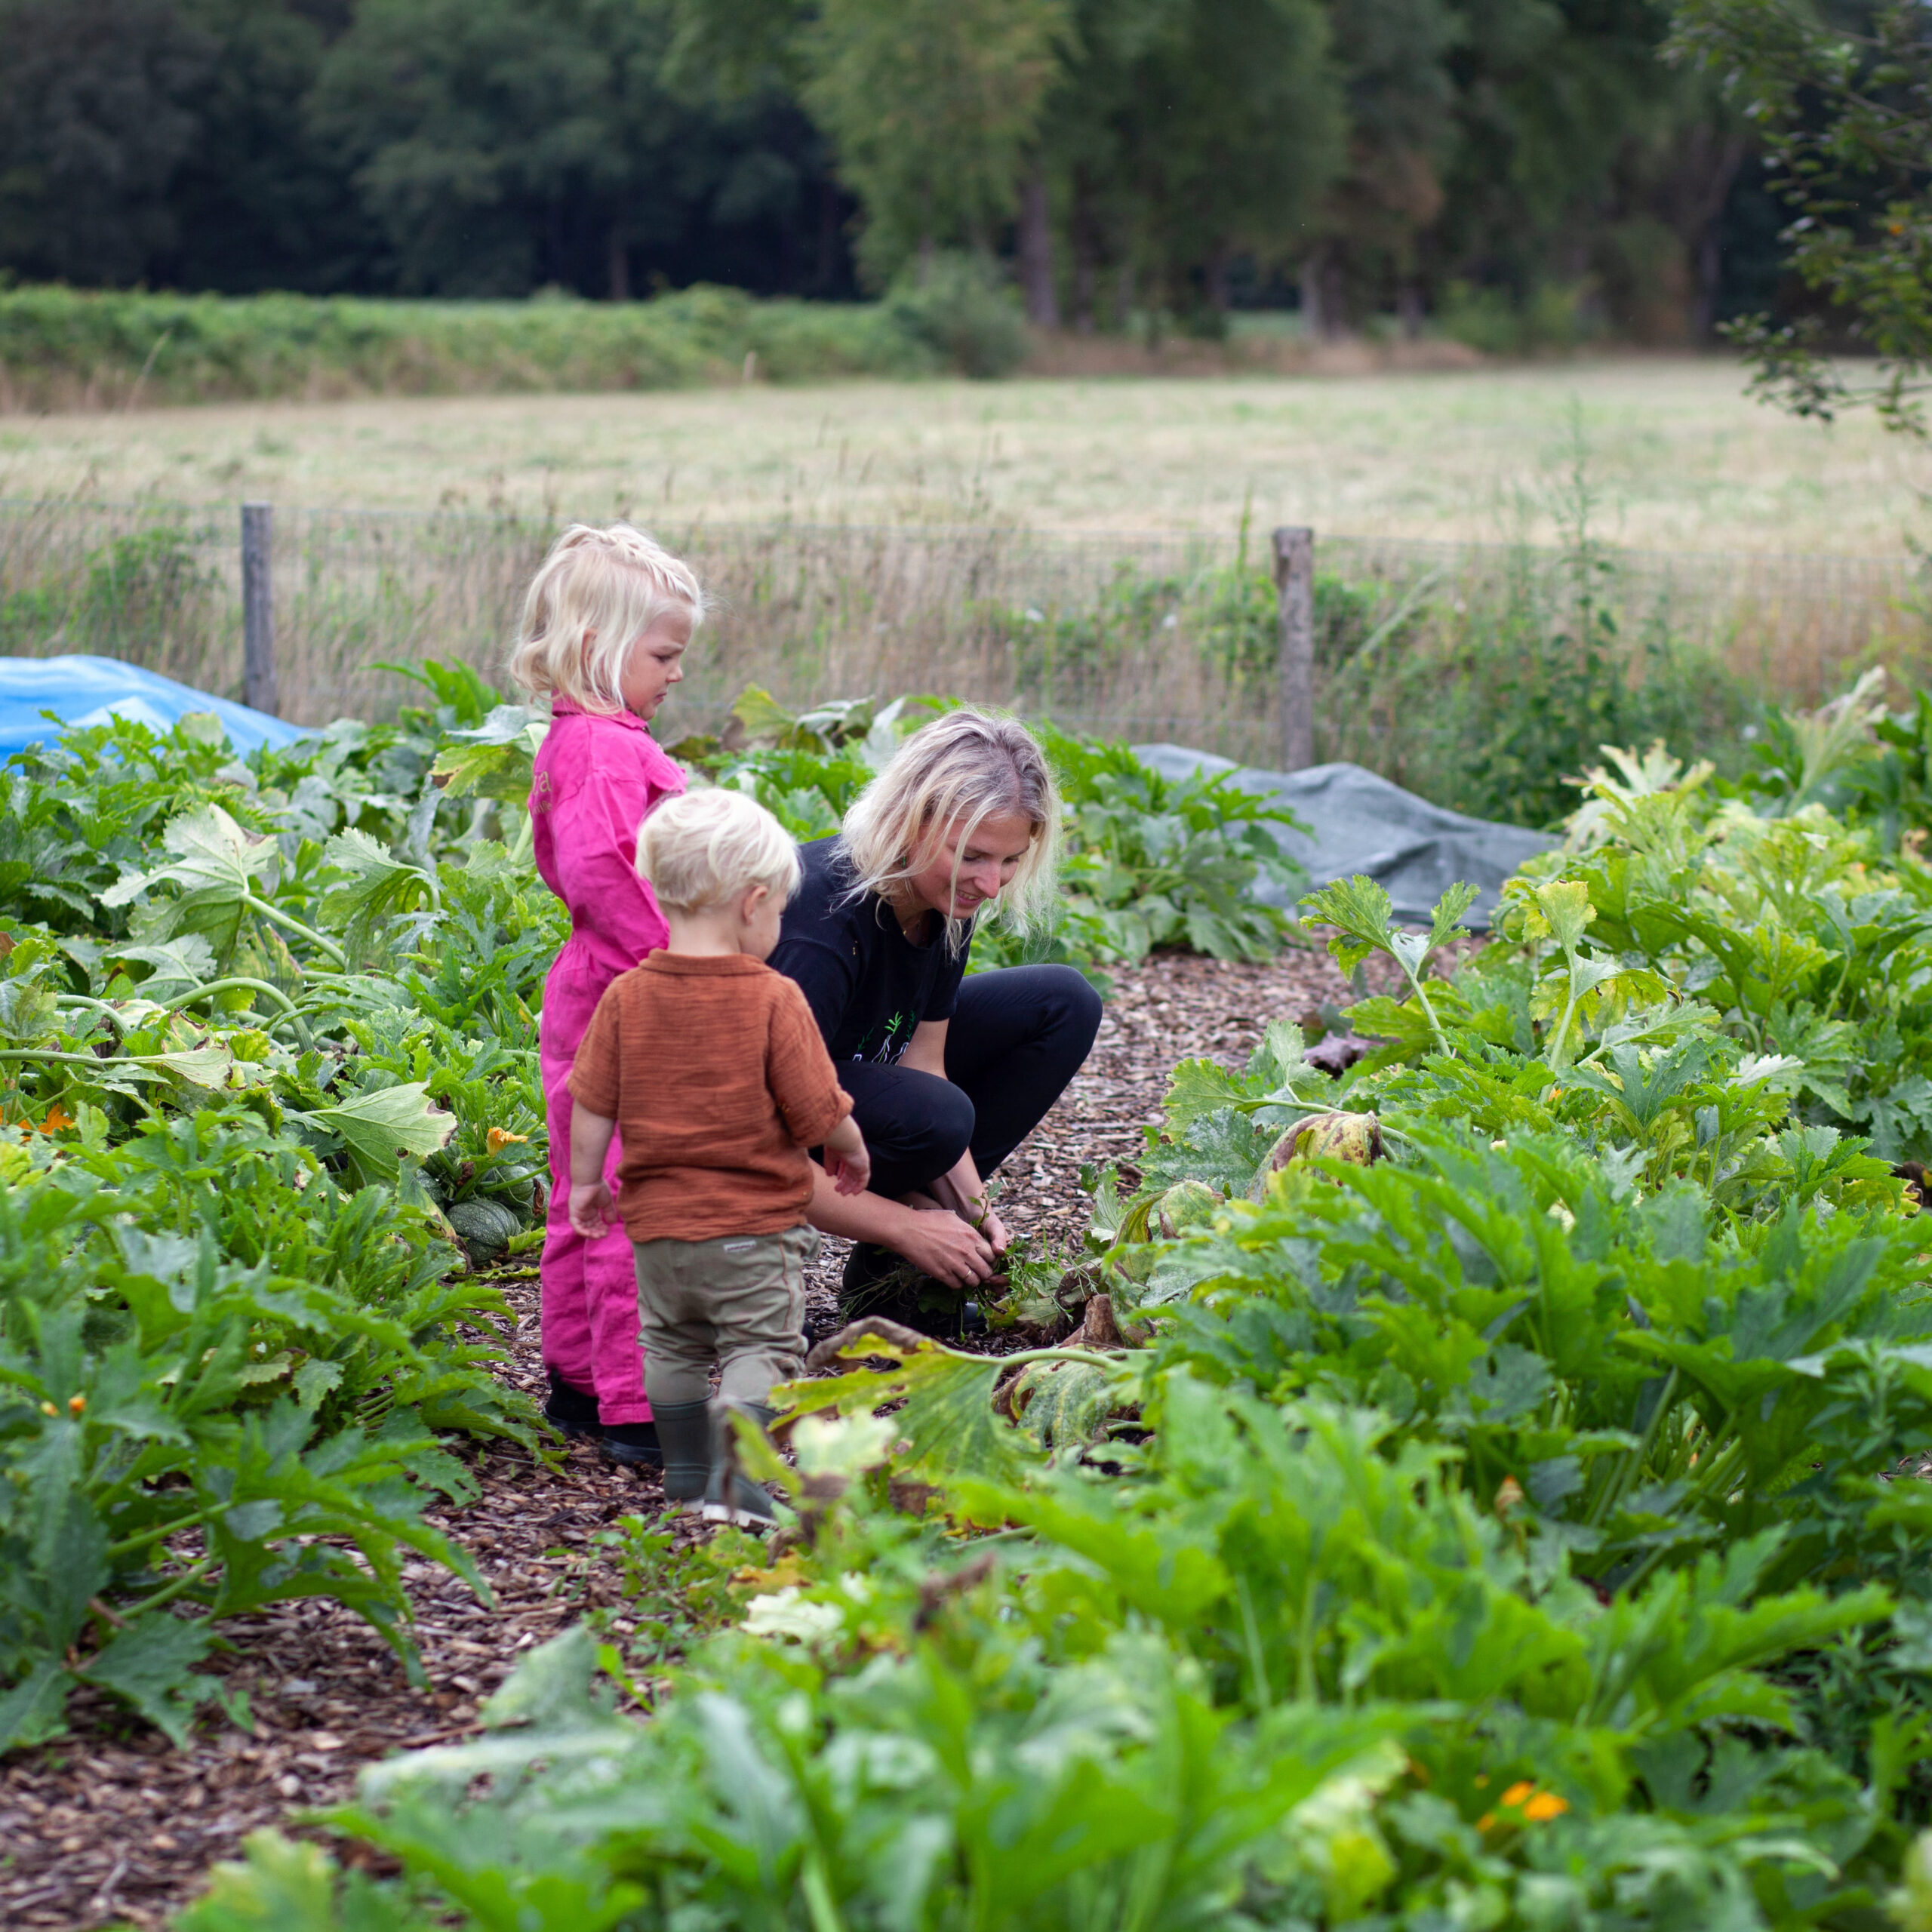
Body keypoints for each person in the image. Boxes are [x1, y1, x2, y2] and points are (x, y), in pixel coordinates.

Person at [565, 789, 870, 1523]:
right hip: (753, 1230)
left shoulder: (626, 997)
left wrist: (584, 1184)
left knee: (669, 1345)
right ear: (751, 902)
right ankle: (735, 1483)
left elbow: (592, 1101)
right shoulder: (772, 997)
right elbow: (815, 1105)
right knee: (760, 1346)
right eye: (777, 914)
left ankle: (686, 1476)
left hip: (658, 1230)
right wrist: (850, 1150)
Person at [769, 707, 1103, 1331]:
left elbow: (924, 1061)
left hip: (855, 1089)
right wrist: (907, 1226)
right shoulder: (821, 928)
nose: (993, 883)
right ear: (912, 819)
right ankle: (897, 1244)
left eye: (1009, 861)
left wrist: (975, 1218)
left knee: (1064, 1002)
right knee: (937, 1116)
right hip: (757, 1127)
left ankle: (896, 1283)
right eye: (974, 855)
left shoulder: (943, 899)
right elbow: (749, 1140)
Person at [509, 522, 703, 1467]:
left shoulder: (590, 738)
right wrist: (690, 964)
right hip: (628, 998)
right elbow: (601, 874)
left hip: (592, 991)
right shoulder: (602, 750)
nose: (675, 674)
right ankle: (638, 1405)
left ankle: (579, 1382)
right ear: (598, 648)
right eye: (664, 654)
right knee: (628, 1196)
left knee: (584, 1192)